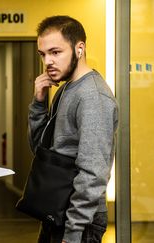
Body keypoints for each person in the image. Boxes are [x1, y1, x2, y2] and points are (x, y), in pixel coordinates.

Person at [28, 16, 119, 243]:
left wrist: (74, 231)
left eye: (55, 52)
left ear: (79, 49)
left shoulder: (93, 97)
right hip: (58, 209)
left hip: (79, 221)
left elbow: (93, 172)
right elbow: (41, 150)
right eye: (43, 54)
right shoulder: (65, 89)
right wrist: (39, 103)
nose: (47, 61)